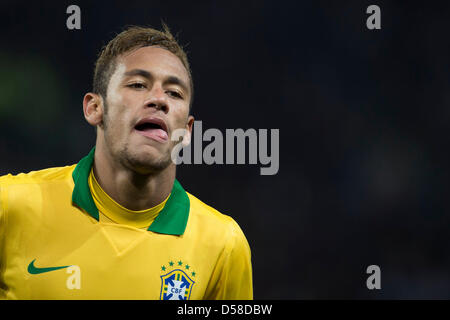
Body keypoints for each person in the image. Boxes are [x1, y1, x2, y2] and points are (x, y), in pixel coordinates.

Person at [0, 24, 253, 300]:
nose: (159, 99)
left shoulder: (223, 245)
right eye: (138, 85)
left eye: (174, 93)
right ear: (95, 108)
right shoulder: (11, 206)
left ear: (187, 131)